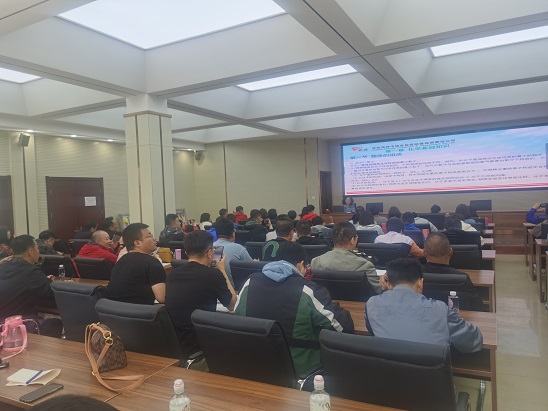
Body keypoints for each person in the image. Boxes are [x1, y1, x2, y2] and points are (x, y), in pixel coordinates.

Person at [235, 241, 354, 375]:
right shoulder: (308, 290)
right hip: (302, 372)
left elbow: (238, 316)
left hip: (255, 367)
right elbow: (343, 327)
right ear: (300, 265)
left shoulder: (249, 282)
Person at [365, 258, 483, 353]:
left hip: (387, 373)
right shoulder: (440, 309)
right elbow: (473, 341)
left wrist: (386, 291)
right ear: (421, 283)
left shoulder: (371, 305)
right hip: (431, 375)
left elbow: (374, 330)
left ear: (388, 284)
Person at [166, 231, 237, 369]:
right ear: (210, 253)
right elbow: (232, 305)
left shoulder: (172, 275)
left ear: (186, 252)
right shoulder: (213, 275)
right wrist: (222, 270)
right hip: (202, 351)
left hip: (179, 349)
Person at [0, 235, 62, 337]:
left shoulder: (3, 266)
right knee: (56, 323)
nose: (38, 251)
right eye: (37, 248)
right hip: (17, 326)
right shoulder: (31, 272)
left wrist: (42, 280)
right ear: (31, 252)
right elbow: (52, 292)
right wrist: (61, 284)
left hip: (3, 323)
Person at [311, 221, 382, 293]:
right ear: (352, 240)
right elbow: (378, 290)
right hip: (358, 300)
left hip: (327, 299)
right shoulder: (366, 266)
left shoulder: (316, 261)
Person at [422, 232, 486, 311]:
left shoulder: (415, 276)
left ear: (424, 253)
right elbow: (478, 306)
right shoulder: (462, 278)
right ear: (451, 251)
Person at [107, 223, 166, 305]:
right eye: (149, 236)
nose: (154, 239)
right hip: (140, 311)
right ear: (137, 243)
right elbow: (162, 298)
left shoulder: (120, 261)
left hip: (113, 310)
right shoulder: (152, 262)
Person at [213, 217, 252, 287]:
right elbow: (251, 268)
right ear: (233, 233)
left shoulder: (209, 248)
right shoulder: (239, 248)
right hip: (233, 290)